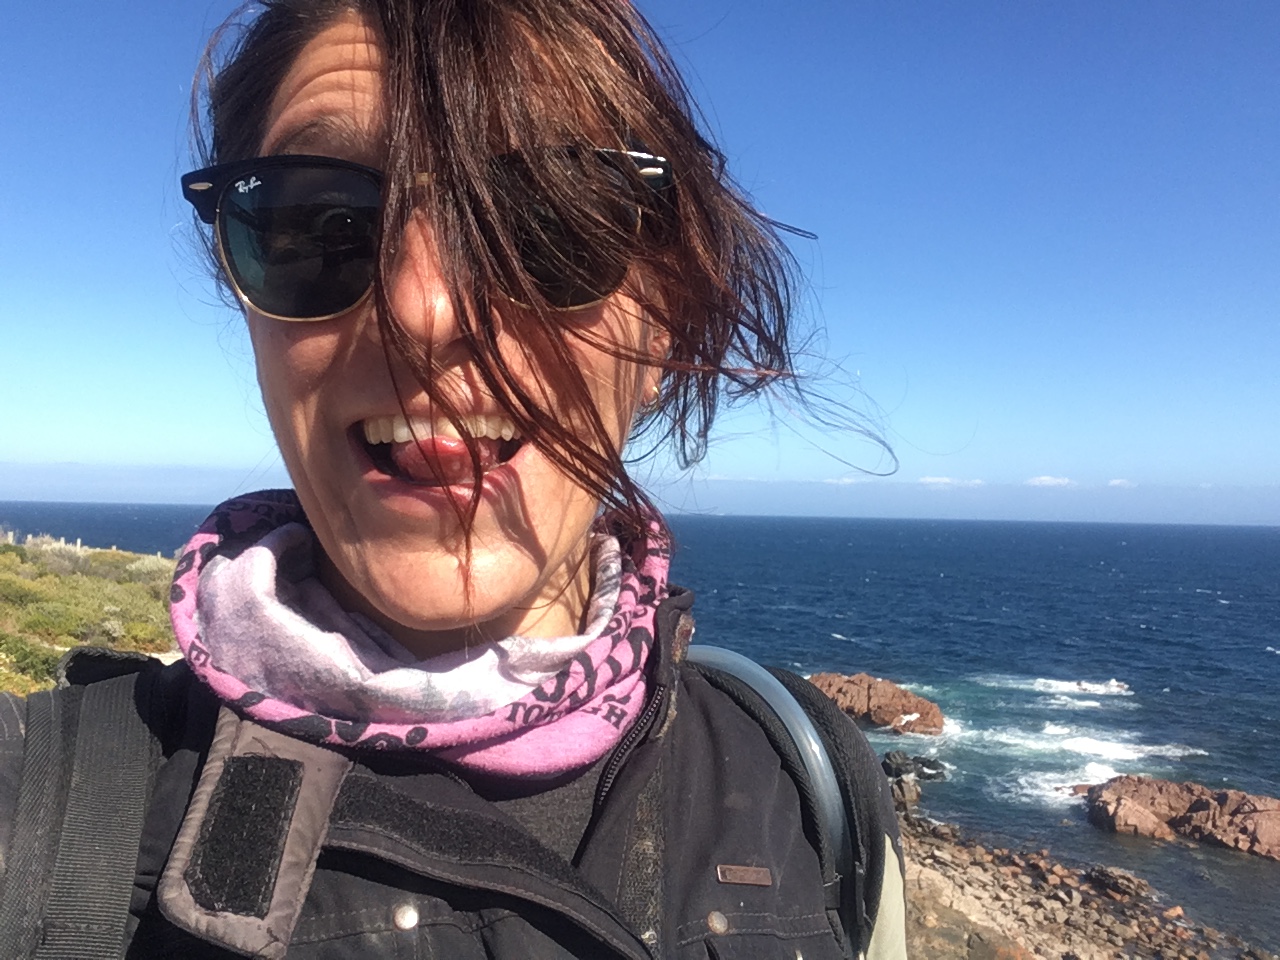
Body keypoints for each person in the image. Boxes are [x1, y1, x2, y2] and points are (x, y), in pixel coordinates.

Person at [0, 1, 906, 957]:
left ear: (663, 318)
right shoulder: (37, 814)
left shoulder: (808, 780)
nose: (423, 310)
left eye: (543, 221)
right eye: (322, 224)